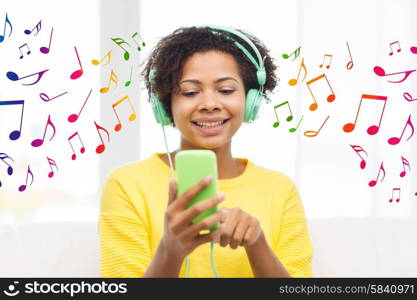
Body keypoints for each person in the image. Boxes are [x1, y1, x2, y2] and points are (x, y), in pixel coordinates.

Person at [99, 25, 313, 278]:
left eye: (225, 90)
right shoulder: (127, 184)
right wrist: (171, 250)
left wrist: (257, 245)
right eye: (190, 92)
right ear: (165, 104)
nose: (209, 104)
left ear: (251, 100)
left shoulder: (280, 188)